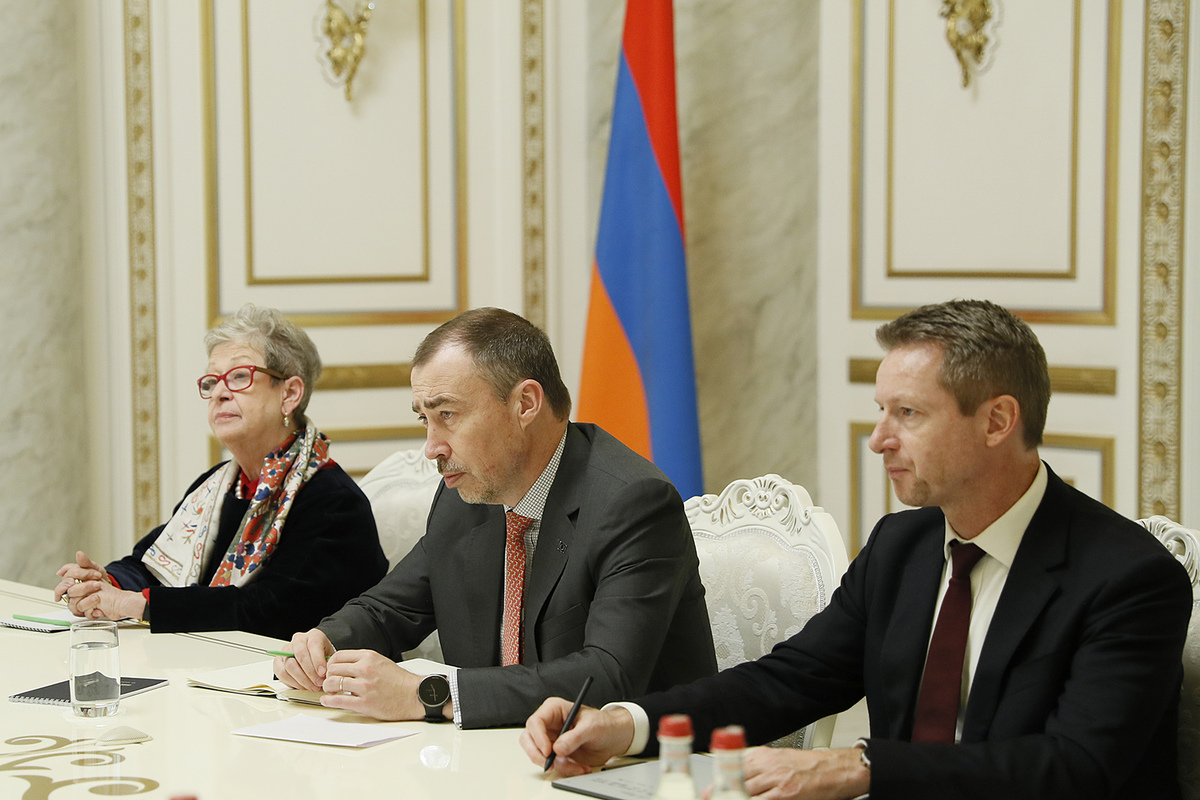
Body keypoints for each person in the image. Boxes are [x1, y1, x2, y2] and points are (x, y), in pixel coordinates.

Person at [523, 299, 1193, 800]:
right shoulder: (903, 546)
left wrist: (860, 766)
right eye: (881, 410)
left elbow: (1076, 767)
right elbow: (787, 682)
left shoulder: (1129, 576)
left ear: (997, 420)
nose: (878, 440)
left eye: (908, 414)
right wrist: (627, 723)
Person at [275, 307, 717, 729]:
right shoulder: (466, 498)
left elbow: (607, 677)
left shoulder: (633, 503)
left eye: (447, 415)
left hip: (634, 764)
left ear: (525, 403)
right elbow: (388, 609)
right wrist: (325, 643)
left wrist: (428, 694)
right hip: (493, 754)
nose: (432, 448)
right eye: (425, 419)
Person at [54, 304, 388, 641]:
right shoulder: (218, 486)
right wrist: (104, 583)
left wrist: (137, 605)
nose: (219, 393)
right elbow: (150, 565)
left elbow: (270, 610)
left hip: (309, 671)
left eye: (239, 376)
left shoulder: (333, 501)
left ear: (289, 394)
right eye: (212, 381)